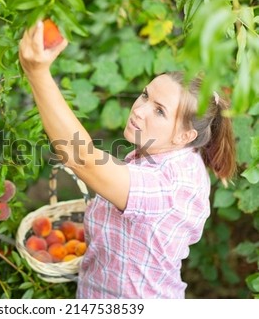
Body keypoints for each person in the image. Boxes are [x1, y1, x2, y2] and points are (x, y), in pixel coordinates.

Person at [18, 21, 236, 298]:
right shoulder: (158, 152)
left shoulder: (172, 186)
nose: (139, 110)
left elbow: (82, 158)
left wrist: (37, 73)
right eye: (145, 95)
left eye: (159, 111)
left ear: (185, 136)